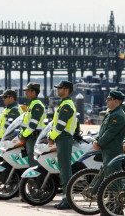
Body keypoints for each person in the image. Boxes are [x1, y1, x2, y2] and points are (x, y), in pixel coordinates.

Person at [47, 80, 77, 210]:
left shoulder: (67, 105)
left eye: (60, 88)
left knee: (65, 170)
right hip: (62, 139)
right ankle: (66, 198)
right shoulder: (64, 104)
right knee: (63, 169)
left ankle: (68, 199)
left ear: (66, 90)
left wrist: (51, 136)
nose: (57, 90)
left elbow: (60, 126)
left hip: (64, 138)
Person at [93, 90, 125, 177]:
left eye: (109, 99)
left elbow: (110, 133)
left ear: (116, 101)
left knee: (112, 178)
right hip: (107, 149)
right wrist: (96, 140)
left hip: (113, 151)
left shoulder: (119, 115)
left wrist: (99, 143)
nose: (106, 101)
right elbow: (102, 129)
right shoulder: (110, 113)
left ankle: (115, 191)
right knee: (107, 176)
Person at [19, 82, 46, 167]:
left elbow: (32, 126)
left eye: (27, 91)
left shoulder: (37, 105)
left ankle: (36, 180)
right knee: (31, 162)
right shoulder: (32, 104)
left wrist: (23, 135)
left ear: (34, 92)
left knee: (34, 164)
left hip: (34, 137)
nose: (25, 92)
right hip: (30, 137)